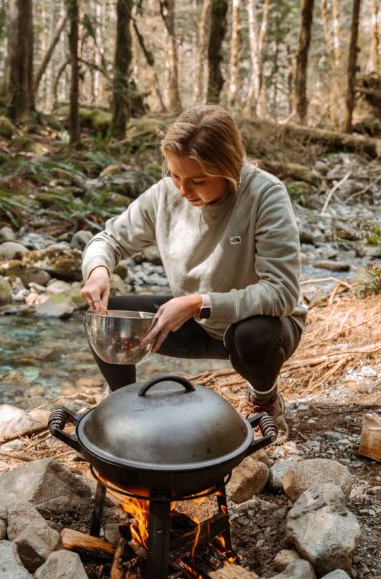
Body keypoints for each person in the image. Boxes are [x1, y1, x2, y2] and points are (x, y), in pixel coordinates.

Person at [81, 105, 307, 437]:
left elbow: (282, 293)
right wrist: (98, 269)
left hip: (260, 328)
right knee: (107, 317)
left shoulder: (264, 195)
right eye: (175, 176)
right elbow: (109, 238)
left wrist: (196, 302)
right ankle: (125, 411)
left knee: (255, 336)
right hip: (196, 322)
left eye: (198, 181)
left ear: (228, 168)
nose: (183, 191)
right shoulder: (166, 195)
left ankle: (264, 400)